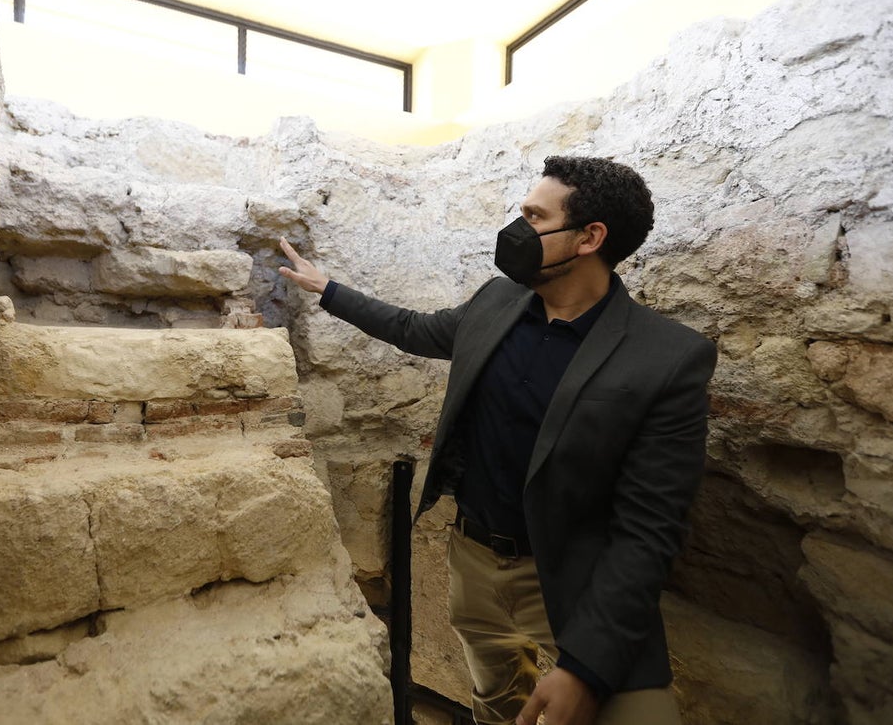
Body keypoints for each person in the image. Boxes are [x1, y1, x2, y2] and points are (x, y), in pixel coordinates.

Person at [279, 155, 716, 725]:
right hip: (475, 564)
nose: (516, 230)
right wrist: (327, 288)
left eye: (534, 217)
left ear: (589, 237)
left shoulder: (667, 355)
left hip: (573, 580)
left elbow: (651, 527)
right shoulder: (495, 303)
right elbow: (413, 329)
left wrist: (584, 666)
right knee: (497, 704)